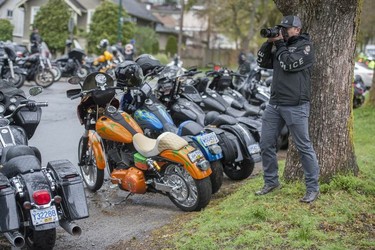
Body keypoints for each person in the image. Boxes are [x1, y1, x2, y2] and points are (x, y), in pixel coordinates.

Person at [255, 15, 320, 203]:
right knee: (266, 143)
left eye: (286, 28)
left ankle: (312, 188)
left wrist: (281, 45)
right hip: (274, 104)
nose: (282, 31)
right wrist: (269, 43)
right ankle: (271, 182)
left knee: (303, 147)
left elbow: (289, 64)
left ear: (297, 30)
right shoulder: (278, 46)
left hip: (296, 105)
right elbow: (261, 62)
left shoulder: (305, 47)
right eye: (280, 28)